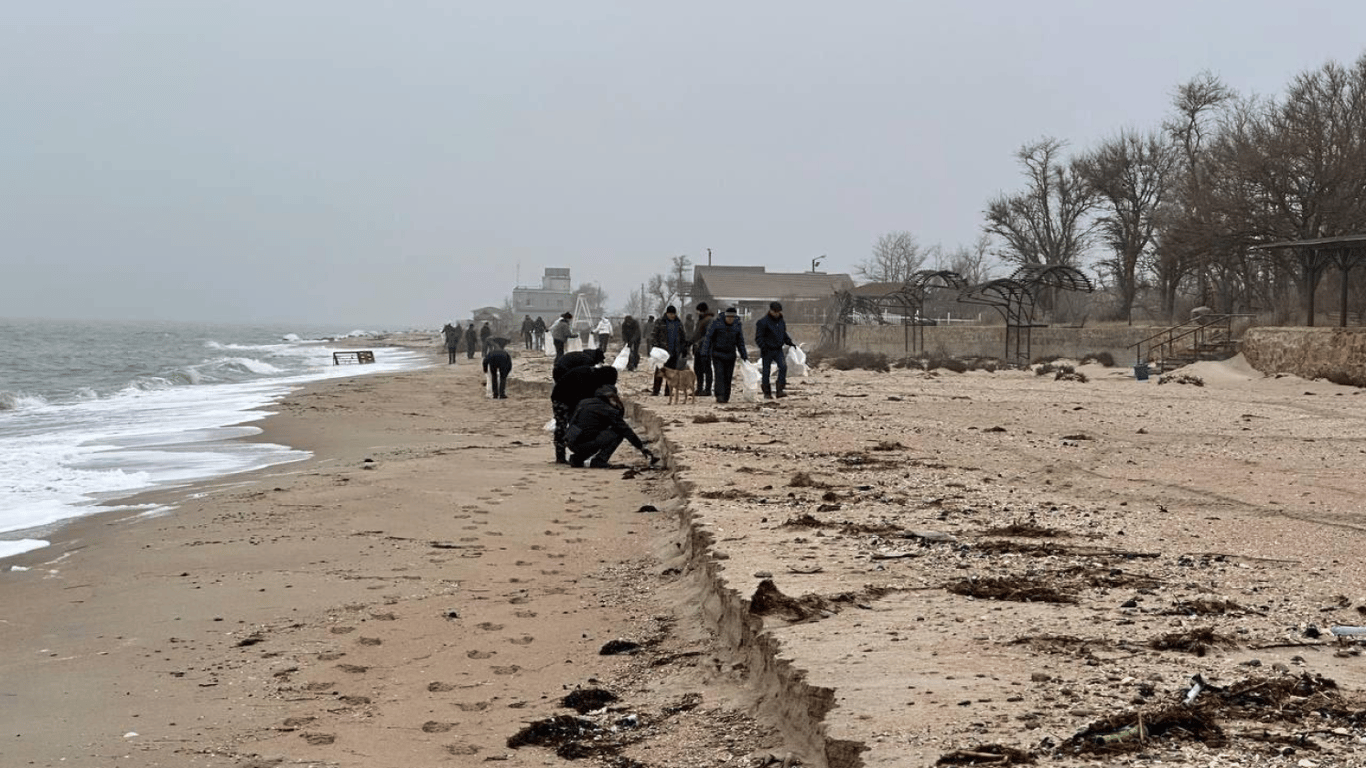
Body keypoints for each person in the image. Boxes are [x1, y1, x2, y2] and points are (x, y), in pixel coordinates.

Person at [565, 385, 654, 469]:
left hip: (571, 442)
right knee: (618, 433)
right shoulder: (608, 409)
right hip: (586, 443)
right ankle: (600, 460)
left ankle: (578, 458)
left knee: (591, 435)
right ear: (610, 397)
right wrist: (640, 447)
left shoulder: (583, 402)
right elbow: (625, 430)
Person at [550, 363, 618, 464]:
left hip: (573, 400)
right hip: (561, 399)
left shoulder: (592, 376)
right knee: (562, 426)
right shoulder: (586, 375)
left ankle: (577, 453)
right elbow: (582, 398)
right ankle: (560, 456)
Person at [702, 307, 748, 404]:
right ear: (725, 316)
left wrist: (743, 354)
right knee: (719, 375)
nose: (730, 319)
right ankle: (719, 395)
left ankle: (726, 396)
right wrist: (704, 352)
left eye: (732, 317)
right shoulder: (716, 323)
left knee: (728, 376)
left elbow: (740, 341)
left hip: (730, 355)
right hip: (717, 354)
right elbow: (708, 338)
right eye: (729, 317)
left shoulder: (737, 325)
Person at [754, 301, 797, 399]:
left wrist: (789, 342)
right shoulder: (763, 322)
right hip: (767, 350)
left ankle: (780, 389)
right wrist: (763, 347)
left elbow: (783, 334)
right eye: (775, 312)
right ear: (770, 311)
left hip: (778, 349)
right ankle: (767, 392)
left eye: (778, 312)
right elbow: (758, 337)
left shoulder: (781, 321)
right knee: (766, 372)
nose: (777, 314)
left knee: (783, 367)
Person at [649, 306, 686, 397]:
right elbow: (654, 334)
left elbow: (683, 336)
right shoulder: (660, 322)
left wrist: (683, 348)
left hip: (674, 352)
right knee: (659, 371)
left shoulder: (678, 323)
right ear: (667, 313)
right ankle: (656, 390)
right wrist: (655, 346)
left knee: (671, 373)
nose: (672, 316)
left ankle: (668, 391)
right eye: (670, 314)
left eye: (673, 314)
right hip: (662, 352)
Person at [688, 302, 715, 396]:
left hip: (706, 349)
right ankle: (699, 389)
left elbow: (709, 335)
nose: (697, 313)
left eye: (698, 311)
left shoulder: (709, 320)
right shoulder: (701, 320)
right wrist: (689, 342)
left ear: (702, 311)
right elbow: (696, 334)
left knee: (706, 369)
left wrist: (698, 342)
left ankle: (707, 390)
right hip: (698, 349)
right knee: (698, 369)